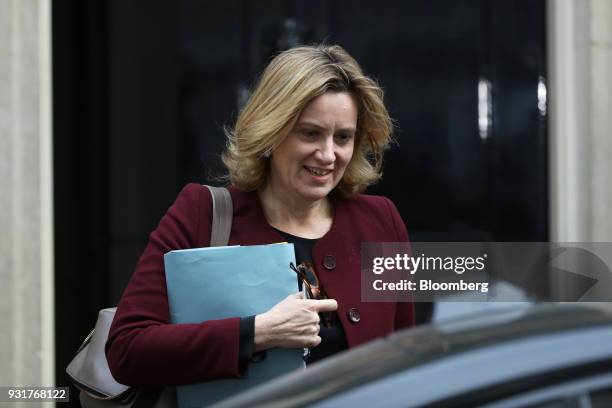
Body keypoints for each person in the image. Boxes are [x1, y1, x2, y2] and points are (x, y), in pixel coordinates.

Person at [105, 44, 414, 387]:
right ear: (272, 130)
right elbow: (127, 350)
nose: (328, 155)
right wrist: (257, 332)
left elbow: (406, 356)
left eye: (343, 137)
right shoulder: (202, 214)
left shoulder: (380, 221)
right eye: (310, 133)